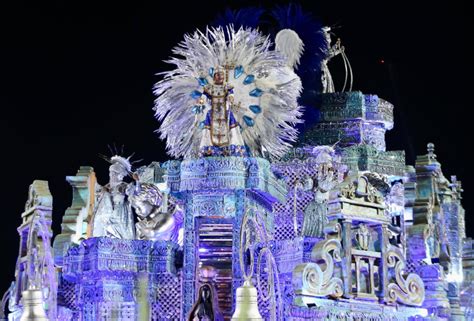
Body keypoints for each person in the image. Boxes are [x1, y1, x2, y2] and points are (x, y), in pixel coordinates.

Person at [198, 67, 247, 157]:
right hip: (212, 114)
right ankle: (209, 152)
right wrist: (201, 100)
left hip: (226, 113)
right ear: (214, 77)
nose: (220, 77)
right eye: (218, 75)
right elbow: (204, 97)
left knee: (232, 129)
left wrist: (230, 98)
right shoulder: (209, 88)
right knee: (209, 131)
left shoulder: (227, 87)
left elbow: (231, 94)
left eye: (222, 75)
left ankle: (233, 151)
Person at [91, 155, 135, 239]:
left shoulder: (123, 185)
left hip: (119, 215)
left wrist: (136, 184)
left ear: (120, 175)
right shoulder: (106, 187)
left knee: (119, 238)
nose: (111, 175)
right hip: (104, 216)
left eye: (114, 173)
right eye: (111, 172)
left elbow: (132, 194)